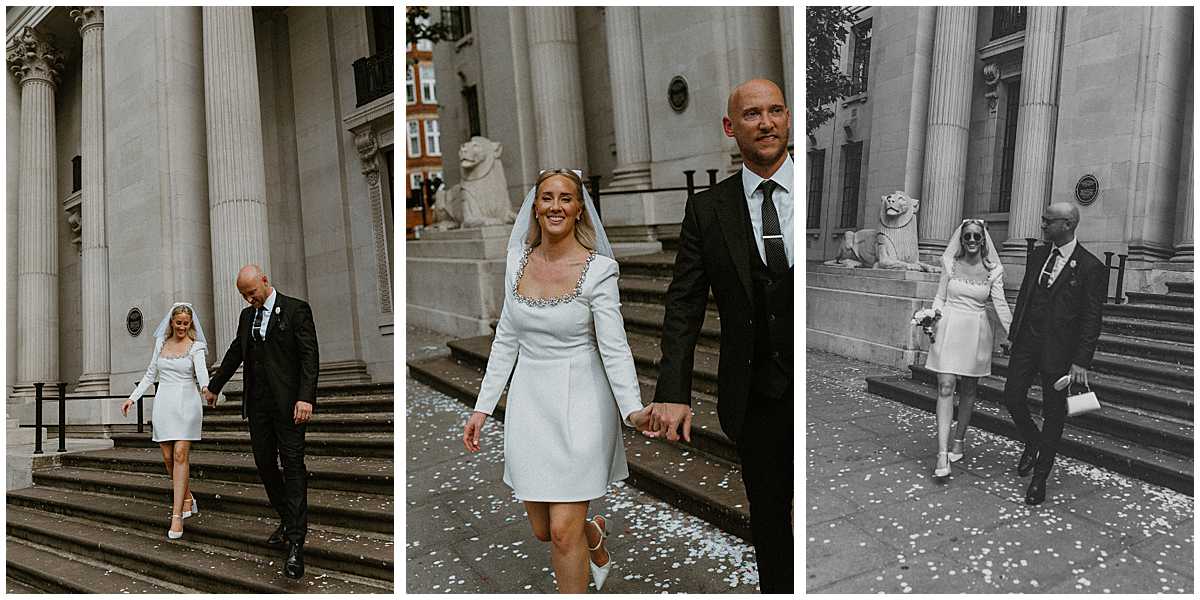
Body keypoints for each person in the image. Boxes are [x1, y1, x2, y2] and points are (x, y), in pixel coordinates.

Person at [462, 169, 654, 593]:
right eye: (547, 197)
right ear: (535, 206)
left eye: (565, 198)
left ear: (579, 207)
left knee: (563, 531)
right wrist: (481, 407)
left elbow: (615, 347)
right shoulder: (516, 262)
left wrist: (633, 409)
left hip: (582, 403)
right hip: (530, 404)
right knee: (544, 530)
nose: (555, 206)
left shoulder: (600, 270)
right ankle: (595, 535)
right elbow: (506, 340)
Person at [648, 78, 794, 593]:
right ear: (731, 128)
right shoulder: (708, 209)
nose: (767, 122)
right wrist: (672, 392)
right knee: (771, 521)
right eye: (752, 114)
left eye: (776, 110)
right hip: (755, 394)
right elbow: (684, 304)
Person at [203, 265, 319, 579]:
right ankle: (287, 518)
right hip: (259, 408)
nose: (249, 298)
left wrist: (305, 397)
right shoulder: (246, 317)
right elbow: (235, 352)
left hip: (291, 407)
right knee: (265, 463)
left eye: (252, 292)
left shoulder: (296, 310)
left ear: (265, 281)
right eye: (244, 295)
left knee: (293, 467)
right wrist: (215, 386)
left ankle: (295, 543)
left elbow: (310, 356)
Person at [1002, 202, 1106, 505]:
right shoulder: (1037, 255)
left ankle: (1040, 477)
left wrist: (1081, 361)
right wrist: (1012, 335)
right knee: (1012, 396)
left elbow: (1091, 318)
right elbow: (1025, 297)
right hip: (1026, 344)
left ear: (1068, 225)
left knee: (1054, 414)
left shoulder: (1090, 267)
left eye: (1048, 221)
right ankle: (1033, 442)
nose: (1043, 225)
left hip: (1060, 353)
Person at [925, 219, 1012, 478]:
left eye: (976, 237)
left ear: (983, 239)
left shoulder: (994, 270)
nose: (972, 241)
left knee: (969, 389)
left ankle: (959, 439)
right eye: (967, 237)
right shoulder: (949, 264)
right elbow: (941, 295)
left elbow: (1001, 304)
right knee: (945, 386)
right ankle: (942, 454)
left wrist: (1015, 333)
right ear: (961, 240)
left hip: (976, 330)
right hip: (948, 326)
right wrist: (931, 318)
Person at [123, 302, 209, 540]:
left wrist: (206, 389)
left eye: (186, 323)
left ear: (190, 323)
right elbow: (151, 373)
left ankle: (177, 515)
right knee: (168, 457)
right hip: (164, 404)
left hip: (187, 403)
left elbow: (202, 374)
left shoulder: (196, 347)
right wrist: (132, 398)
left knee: (181, 454)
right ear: (172, 322)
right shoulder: (160, 343)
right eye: (178, 322)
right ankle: (188, 496)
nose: (182, 327)